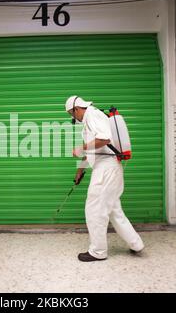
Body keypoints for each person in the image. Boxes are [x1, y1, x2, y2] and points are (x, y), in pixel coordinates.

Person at [65, 95, 144, 262]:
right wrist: (79, 170)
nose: (73, 118)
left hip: (106, 169)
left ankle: (98, 252)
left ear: (76, 109)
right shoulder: (89, 120)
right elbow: (93, 149)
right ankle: (136, 244)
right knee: (114, 210)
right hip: (107, 168)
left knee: (95, 210)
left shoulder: (92, 115)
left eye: (72, 115)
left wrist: (81, 148)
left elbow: (104, 139)